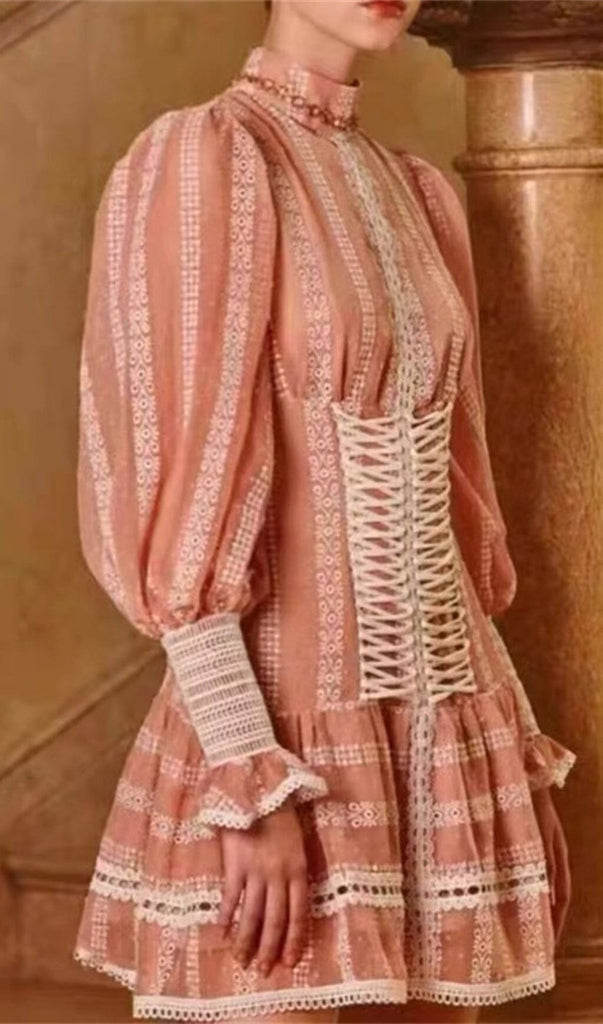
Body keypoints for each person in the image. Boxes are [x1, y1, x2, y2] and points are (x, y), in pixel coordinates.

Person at [72, 0, 577, 1021]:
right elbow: (178, 491)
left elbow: (449, 507)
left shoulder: (417, 191)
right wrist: (249, 781)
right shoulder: (207, 159)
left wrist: (513, 743)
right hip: (278, 736)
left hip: (442, 741)